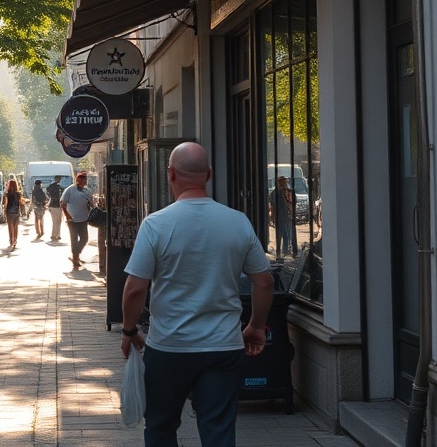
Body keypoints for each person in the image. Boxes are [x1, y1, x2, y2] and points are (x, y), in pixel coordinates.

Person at [120, 141, 273, 447]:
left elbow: (136, 288)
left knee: (161, 427)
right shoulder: (237, 221)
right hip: (222, 347)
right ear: (210, 174)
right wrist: (256, 325)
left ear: (170, 175)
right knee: (218, 429)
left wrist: (128, 330)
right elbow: (264, 282)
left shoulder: (156, 225)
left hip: (169, 348)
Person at [61, 171, 93, 269]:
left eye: (85, 179)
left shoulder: (87, 191)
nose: (85, 181)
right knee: (74, 239)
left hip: (83, 219)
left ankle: (76, 253)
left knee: (84, 238)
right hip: (72, 220)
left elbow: (91, 204)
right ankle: (75, 258)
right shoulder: (69, 190)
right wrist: (67, 215)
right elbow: (63, 203)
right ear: (78, 180)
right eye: (83, 179)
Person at [270, 176, 298, 258]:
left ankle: (285, 250)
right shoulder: (276, 193)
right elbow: (272, 205)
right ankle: (284, 250)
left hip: (285, 215)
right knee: (285, 233)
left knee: (286, 233)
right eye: (282, 182)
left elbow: (293, 203)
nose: (283, 183)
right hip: (282, 216)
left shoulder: (286, 192)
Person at [3, 178, 23, 250]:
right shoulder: (18, 194)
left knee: (10, 227)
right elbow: (21, 203)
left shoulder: (7, 194)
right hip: (16, 211)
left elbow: (6, 203)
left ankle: (11, 240)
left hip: (9, 212)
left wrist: (4, 210)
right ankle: (15, 240)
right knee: (15, 226)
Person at [46, 176, 64, 241]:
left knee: (57, 221)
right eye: (58, 179)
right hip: (56, 205)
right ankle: (54, 234)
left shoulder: (52, 186)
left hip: (53, 205)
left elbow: (47, 192)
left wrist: (50, 197)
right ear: (56, 179)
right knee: (57, 221)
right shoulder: (56, 187)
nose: (59, 180)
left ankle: (57, 234)